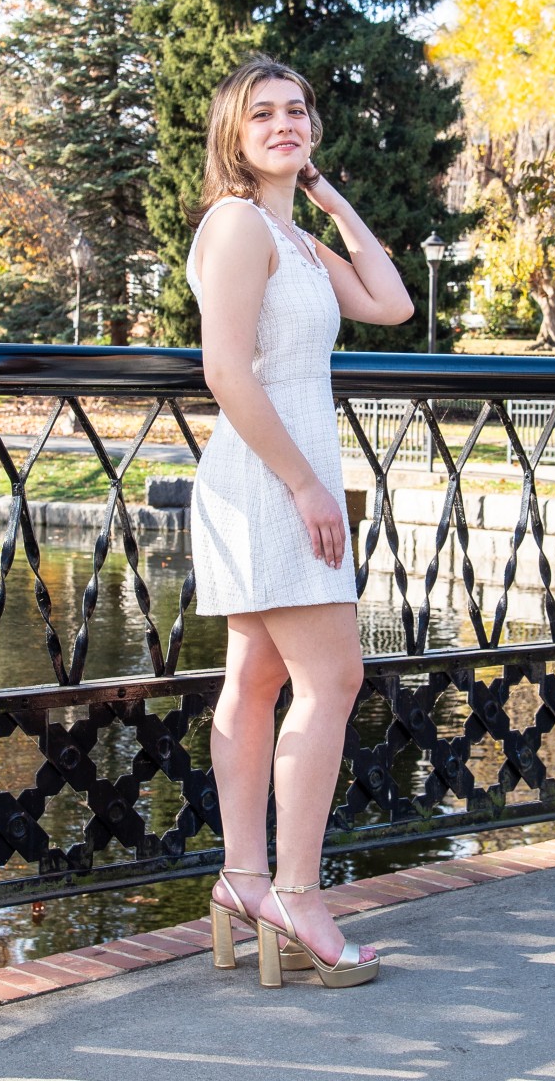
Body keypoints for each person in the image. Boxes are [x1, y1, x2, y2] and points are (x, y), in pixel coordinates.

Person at [185, 55, 413, 989]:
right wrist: (307, 487)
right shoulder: (237, 225)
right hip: (269, 479)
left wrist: (326, 195)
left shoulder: (293, 234)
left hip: (281, 478)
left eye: (297, 112)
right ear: (232, 135)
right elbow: (224, 370)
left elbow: (391, 303)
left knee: (257, 677)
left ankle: (244, 880)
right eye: (262, 114)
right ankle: (298, 895)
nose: (284, 124)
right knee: (335, 677)